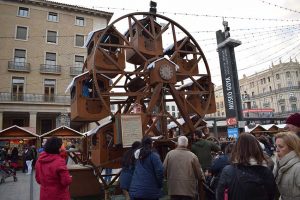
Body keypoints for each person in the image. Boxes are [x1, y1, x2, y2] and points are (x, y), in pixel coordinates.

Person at [216, 133, 276, 200]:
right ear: (257, 148)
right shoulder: (266, 170)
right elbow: (272, 195)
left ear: (236, 149)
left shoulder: (228, 171)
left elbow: (220, 195)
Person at [163, 136, 205, 200]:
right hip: (188, 190)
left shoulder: (169, 154)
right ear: (187, 144)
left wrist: (168, 178)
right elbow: (199, 173)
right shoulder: (192, 156)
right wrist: (202, 178)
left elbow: (163, 170)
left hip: (174, 189)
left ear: (177, 143)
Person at [273, 132, 300, 199]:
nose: (277, 150)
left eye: (281, 146)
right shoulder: (279, 164)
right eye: (276, 146)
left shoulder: (298, 167)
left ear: (292, 147)